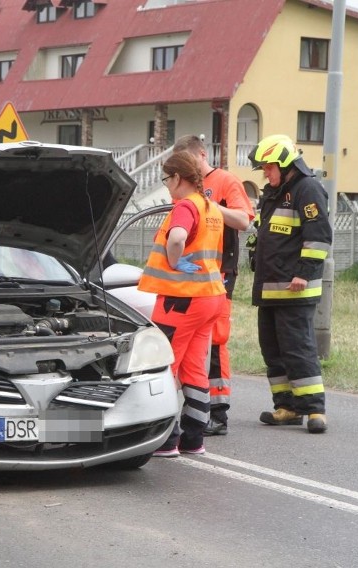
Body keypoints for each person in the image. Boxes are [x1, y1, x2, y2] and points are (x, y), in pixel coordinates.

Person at [138, 151, 226, 457]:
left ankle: (167, 439)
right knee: (193, 368)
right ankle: (193, 439)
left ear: (178, 178)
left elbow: (176, 238)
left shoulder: (186, 206)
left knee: (163, 366)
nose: (166, 186)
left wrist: (175, 263)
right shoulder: (211, 208)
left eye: (166, 179)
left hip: (182, 299)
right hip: (210, 297)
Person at [247, 134, 332, 434]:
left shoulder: (307, 189)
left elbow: (319, 236)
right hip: (269, 289)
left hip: (295, 289)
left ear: (285, 165)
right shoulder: (273, 193)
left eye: (269, 168)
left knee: (298, 349)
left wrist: (304, 272)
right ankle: (287, 406)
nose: (265, 174)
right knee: (272, 350)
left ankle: (314, 410)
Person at [173, 135, 254, 437]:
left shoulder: (224, 181)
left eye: (188, 163)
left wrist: (208, 207)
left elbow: (244, 220)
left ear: (202, 155)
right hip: (189, 274)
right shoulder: (184, 189)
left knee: (216, 339)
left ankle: (217, 413)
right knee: (191, 342)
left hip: (219, 272)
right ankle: (193, 408)